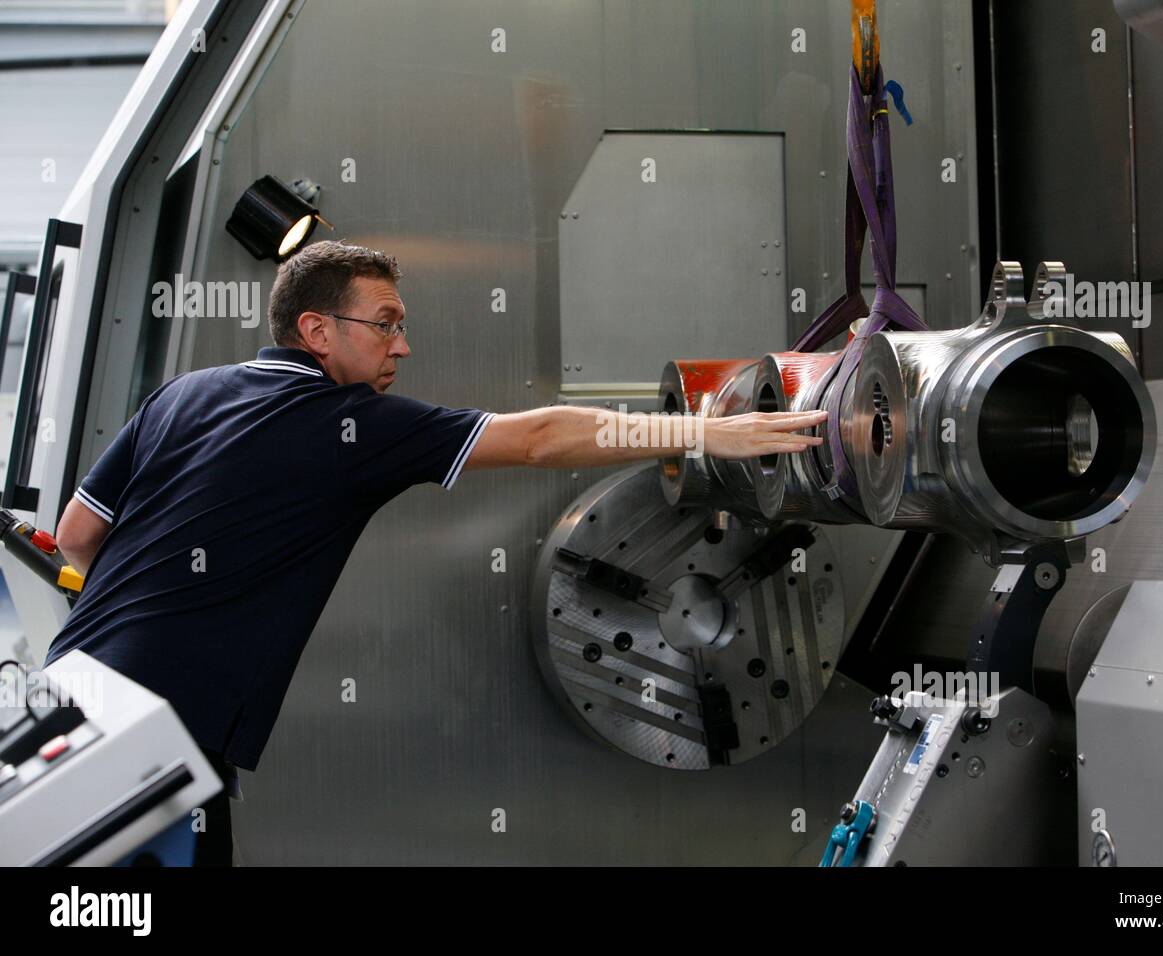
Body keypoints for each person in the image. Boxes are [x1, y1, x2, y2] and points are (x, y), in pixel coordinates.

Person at [44, 240, 827, 865]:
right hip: (163, 730)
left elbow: (77, 536)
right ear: (318, 332)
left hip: (67, 693)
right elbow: (541, 437)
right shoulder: (347, 425)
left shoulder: (184, 394)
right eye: (385, 323)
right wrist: (705, 432)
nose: (404, 345)